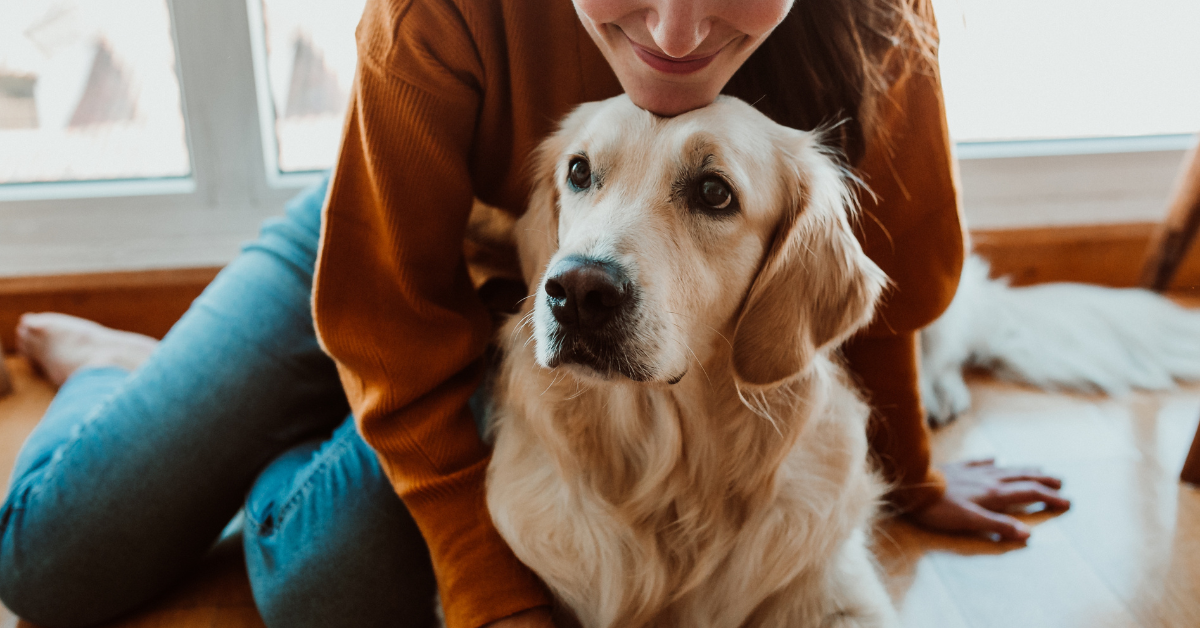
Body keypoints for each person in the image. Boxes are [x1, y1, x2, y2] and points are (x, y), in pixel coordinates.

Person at [0, 1, 1069, 627]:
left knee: (330, 590)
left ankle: (250, 418)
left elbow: (871, 285)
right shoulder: (436, 12)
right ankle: (119, 366)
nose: (677, 31)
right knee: (55, 562)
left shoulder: (878, 21)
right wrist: (489, 593)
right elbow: (383, 307)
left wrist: (908, 473)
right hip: (376, 252)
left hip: (548, 311)